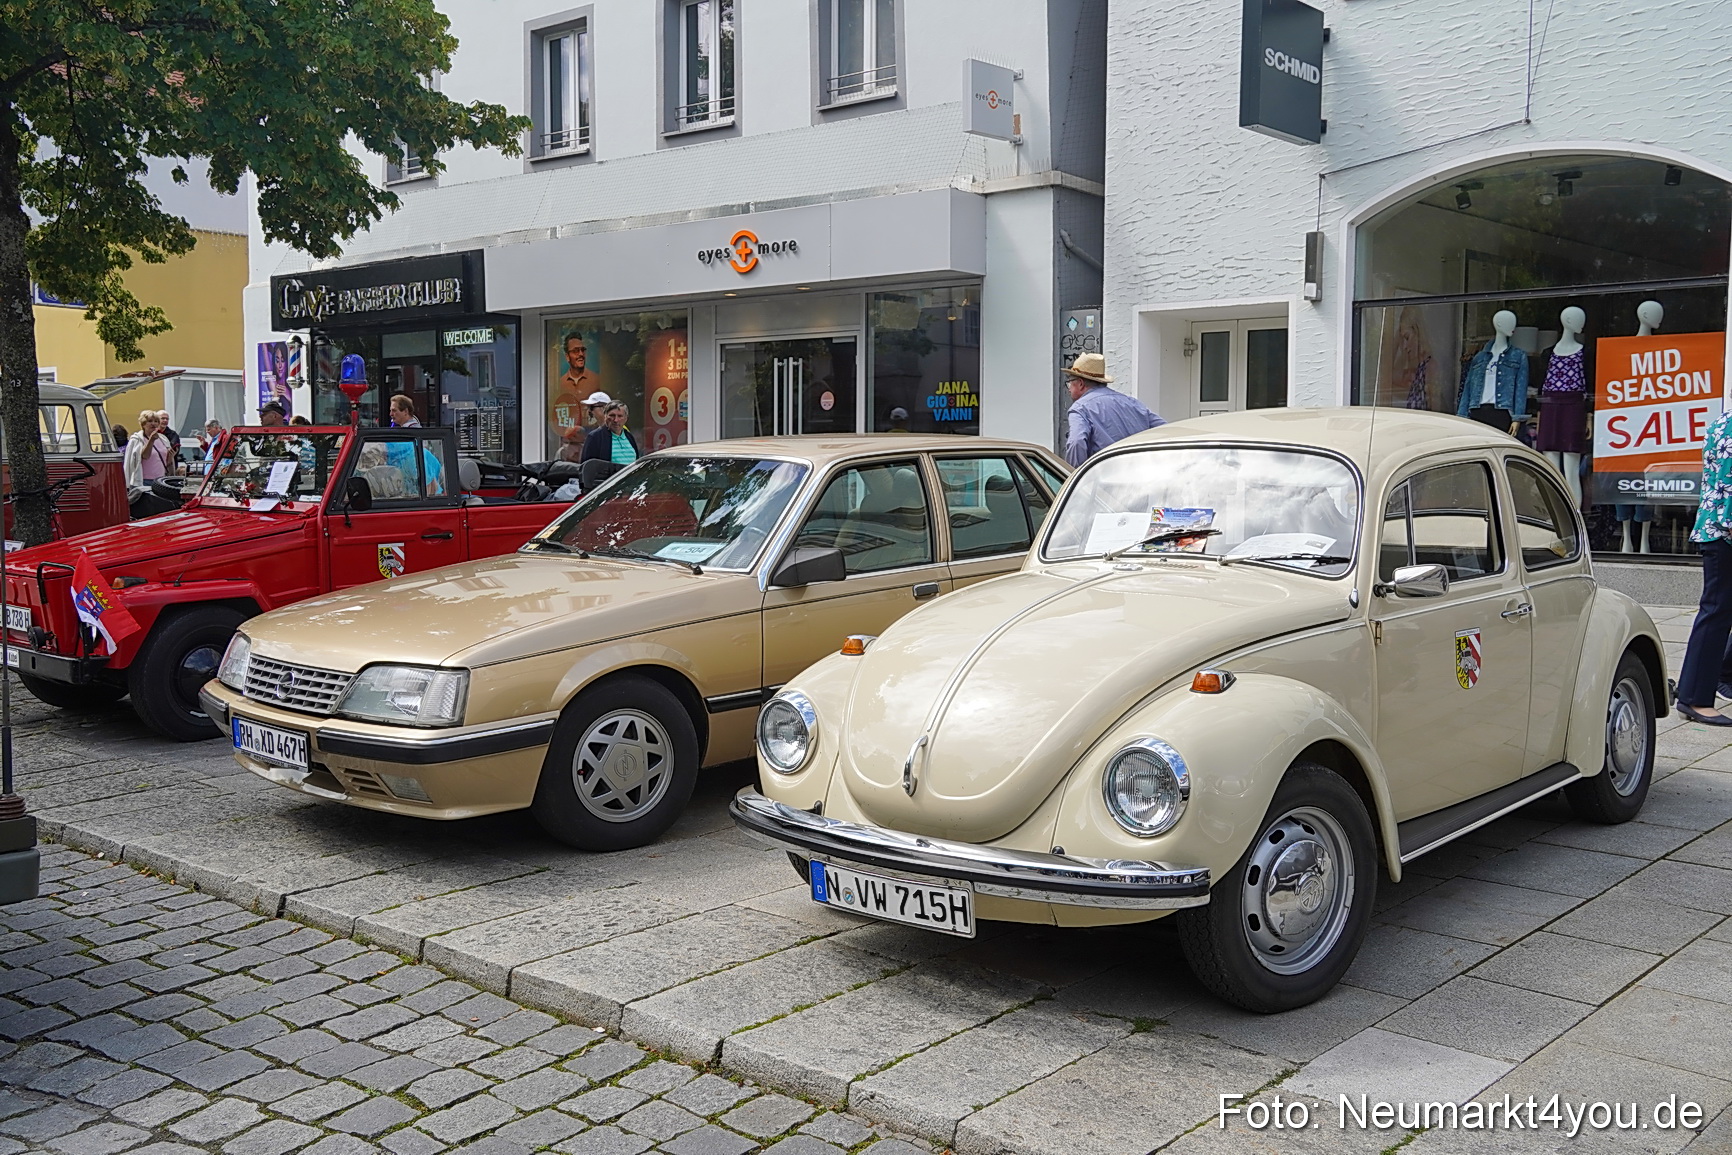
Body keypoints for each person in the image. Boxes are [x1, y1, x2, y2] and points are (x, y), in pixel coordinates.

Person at [1674, 409, 1732, 725]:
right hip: (1724, 534)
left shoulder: (1722, 422)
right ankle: (1695, 698)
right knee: (1715, 612)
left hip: (1719, 531)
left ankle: (1715, 680)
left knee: (1719, 611)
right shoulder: (1730, 428)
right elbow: (1728, 484)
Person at [1061, 353, 1164, 467]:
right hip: (1139, 474)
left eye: (1070, 382)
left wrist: (1073, 475)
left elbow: (1077, 442)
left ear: (1080, 383)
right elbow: (1165, 430)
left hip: (1105, 477)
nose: (1068, 388)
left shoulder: (1080, 408)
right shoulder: (1132, 402)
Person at [123, 412, 175, 519]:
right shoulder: (137, 439)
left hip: (160, 481)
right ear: (143, 424)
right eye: (150, 421)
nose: (153, 424)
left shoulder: (163, 439)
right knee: (145, 513)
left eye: (156, 421)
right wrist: (151, 440)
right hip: (144, 481)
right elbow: (144, 456)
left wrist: (170, 457)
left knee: (159, 513)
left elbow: (167, 461)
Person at [580, 402, 640, 491]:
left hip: (631, 489)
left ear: (626, 419)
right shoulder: (595, 437)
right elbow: (586, 469)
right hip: (607, 491)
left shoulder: (629, 437)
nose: (615, 420)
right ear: (605, 417)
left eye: (620, 416)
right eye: (612, 415)